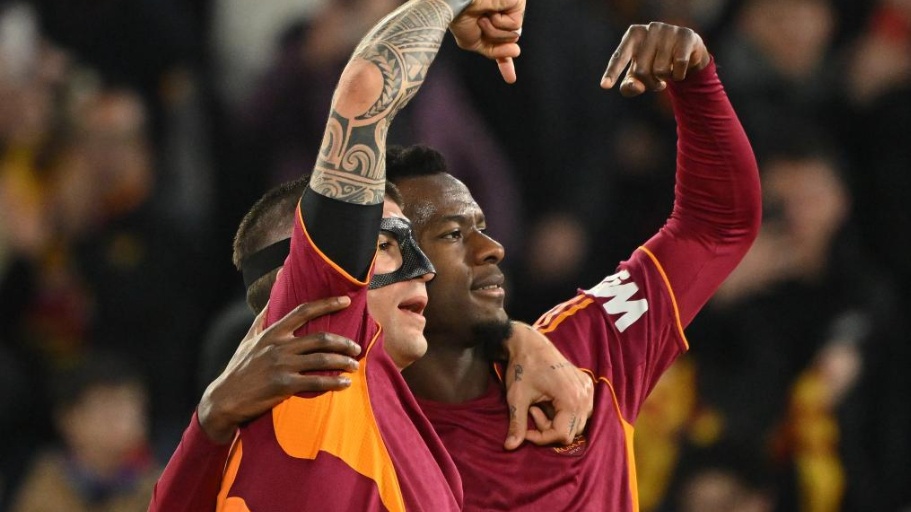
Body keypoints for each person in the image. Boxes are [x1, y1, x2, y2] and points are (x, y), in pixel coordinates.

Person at [156, 19, 761, 511]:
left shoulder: (586, 349)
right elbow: (364, 97)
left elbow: (717, 227)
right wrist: (212, 420)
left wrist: (697, 83)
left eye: (481, 227)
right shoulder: (346, 421)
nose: (491, 248)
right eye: (448, 234)